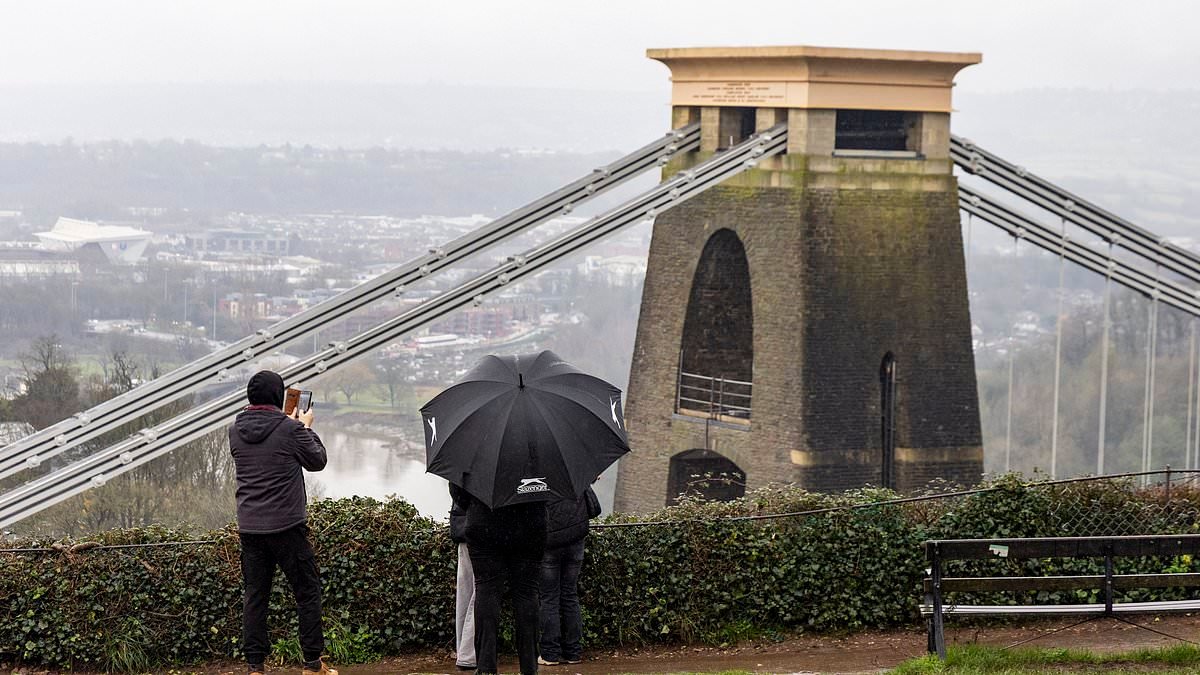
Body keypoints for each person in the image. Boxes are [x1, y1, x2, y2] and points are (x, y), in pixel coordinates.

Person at [229, 370, 337, 675]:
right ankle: (312, 665)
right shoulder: (291, 430)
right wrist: (305, 427)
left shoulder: (234, 430)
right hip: (287, 526)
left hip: (249, 527)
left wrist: (290, 426)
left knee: (255, 596)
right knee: (307, 592)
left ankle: (254, 667)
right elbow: (317, 461)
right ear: (279, 398)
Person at [450, 483, 546, 675]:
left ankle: (486, 667)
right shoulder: (543, 453)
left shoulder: (474, 452)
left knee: (486, 591)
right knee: (527, 594)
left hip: (484, 520)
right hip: (530, 522)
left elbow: (458, 490)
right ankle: (529, 667)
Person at [537, 486, 600, 666]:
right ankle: (573, 652)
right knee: (570, 595)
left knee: (549, 598)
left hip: (549, 543)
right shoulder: (572, 470)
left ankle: (550, 654)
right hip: (575, 540)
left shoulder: (538, 476)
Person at [450, 484, 476, 671]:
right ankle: (468, 653)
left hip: (464, 527)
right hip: (481, 528)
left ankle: (464, 650)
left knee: (466, 592)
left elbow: (456, 490)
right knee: (481, 591)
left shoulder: (463, 458)